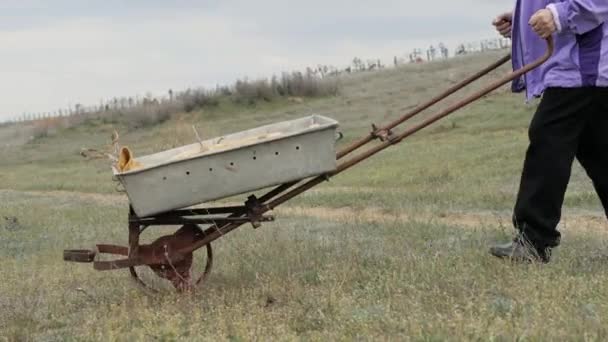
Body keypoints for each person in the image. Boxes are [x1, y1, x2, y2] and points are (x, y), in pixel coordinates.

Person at [489, 1, 608, 262]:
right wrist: (523, 21)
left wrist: (557, 15)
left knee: (548, 141)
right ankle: (533, 240)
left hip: (583, 67)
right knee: (601, 157)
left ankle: (533, 240)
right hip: (582, 68)